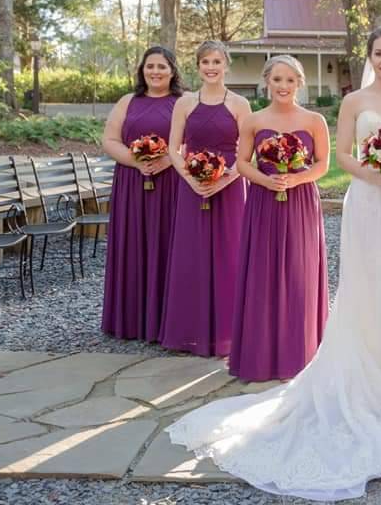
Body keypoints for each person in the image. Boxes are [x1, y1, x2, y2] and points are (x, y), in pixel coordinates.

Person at [166, 26, 381, 501]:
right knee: (368, 281)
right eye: (379, 53)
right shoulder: (353, 101)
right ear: (370, 57)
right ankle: (367, 363)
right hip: (367, 200)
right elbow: (344, 155)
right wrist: (375, 174)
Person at [229, 55, 330, 381]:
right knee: (263, 271)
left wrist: (295, 179)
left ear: (299, 83)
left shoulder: (315, 120)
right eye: (277, 80)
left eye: (290, 80)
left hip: (299, 200)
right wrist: (266, 180)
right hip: (263, 201)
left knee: (299, 272)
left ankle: (300, 352)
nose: (283, 86)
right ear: (267, 82)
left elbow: (322, 165)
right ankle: (260, 355)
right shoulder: (253, 121)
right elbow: (243, 162)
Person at [159, 41, 250, 357]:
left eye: (217, 61)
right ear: (197, 66)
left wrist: (224, 179)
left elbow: (246, 153)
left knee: (230, 255)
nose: (211, 67)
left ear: (226, 64)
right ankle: (189, 331)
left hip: (230, 187)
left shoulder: (240, 104)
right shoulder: (184, 103)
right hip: (191, 186)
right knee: (191, 255)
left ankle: (229, 333)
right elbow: (173, 148)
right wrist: (192, 180)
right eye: (205, 62)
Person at [101, 46, 182, 341]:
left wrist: (164, 160)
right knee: (134, 242)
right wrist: (138, 161)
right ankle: (132, 319)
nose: (155, 72)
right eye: (150, 66)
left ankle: (168, 320)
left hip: (172, 183)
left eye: (162, 66)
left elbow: (193, 141)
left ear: (172, 70)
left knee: (169, 244)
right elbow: (109, 140)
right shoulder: (128, 101)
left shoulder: (183, 102)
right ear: (142, 70)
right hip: (132, 183)